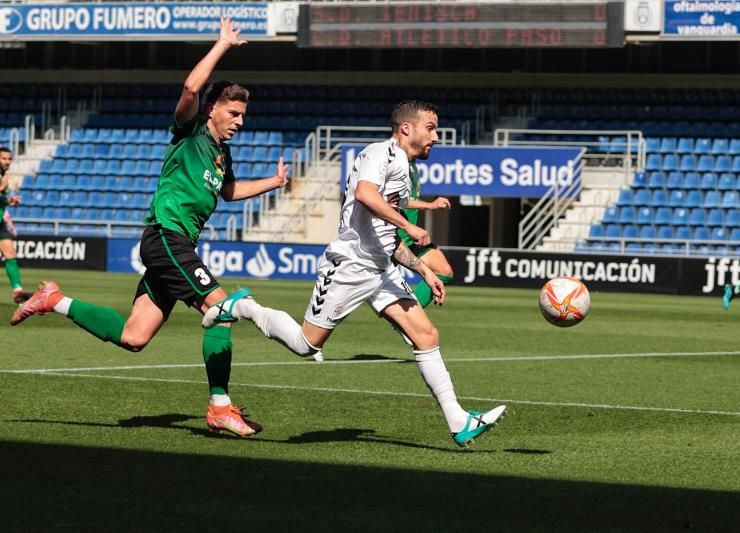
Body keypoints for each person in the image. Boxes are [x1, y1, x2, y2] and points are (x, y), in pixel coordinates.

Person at [11, 18, 290, 437]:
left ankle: (55, 300)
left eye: (243, 116)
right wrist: (222, 45)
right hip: (166, 238)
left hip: (177, 246)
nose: (240, 121)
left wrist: (273, 182)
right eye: (233, 113)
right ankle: (220, 408)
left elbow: (228, 191)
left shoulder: (219, 155)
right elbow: (191, 89)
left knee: (134, 337)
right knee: (221, 313)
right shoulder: (190, 130)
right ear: (213, 109)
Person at [202, 100, 507, 448]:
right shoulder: (380, 154)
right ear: (406, 128)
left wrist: (424, 268)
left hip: (380, 269)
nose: (435, 136)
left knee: (426, 336)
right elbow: (364, 194)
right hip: (348, 266)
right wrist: (409, 224)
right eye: (431, 128)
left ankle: (458, 421)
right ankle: (245, 307)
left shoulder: (404, 170)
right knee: (306, 345)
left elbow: (387, 236)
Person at [397, 160, 455, 309]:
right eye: (430, 134)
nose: (434, 138)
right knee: (354, 288)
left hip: (409, 238)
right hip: (393, 236)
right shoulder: (397, 163)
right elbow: (393, 200)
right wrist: (430, 205)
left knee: (444, 271)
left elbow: (407, 199)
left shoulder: (412, 165)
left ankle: (409, 319)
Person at [0, 147, 32, 304]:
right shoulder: (2, 179)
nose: (7, 161)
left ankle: (17, 291)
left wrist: (9, 201)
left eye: (9, 158)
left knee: (10, 253)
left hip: (0, 222)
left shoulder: (3, 176)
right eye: (3, 158)